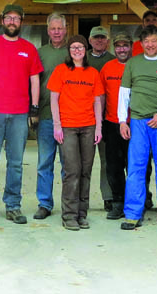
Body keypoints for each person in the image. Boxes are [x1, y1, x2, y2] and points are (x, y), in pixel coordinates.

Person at [0, 4, 42, 225]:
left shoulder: (29, 49)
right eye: (9, 18)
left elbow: (35, 80)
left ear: (22, 22)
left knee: (15, 163)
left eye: (16, 18)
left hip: (20, 114)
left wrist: (35, 108)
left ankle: (13, 206)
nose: (12, 22)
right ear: (2, 21)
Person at [118, 25, 157, 232]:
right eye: (146, 42)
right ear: (141, 44)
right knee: (136, 167)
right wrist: (122, 120)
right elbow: (124, 93)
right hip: (137, 121)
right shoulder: (133, 64)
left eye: (153, 41)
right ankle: (132, 214)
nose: (150, 45)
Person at [48, 35, 104, 230]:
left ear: (85, 49)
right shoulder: (61, 71)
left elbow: (98, 101)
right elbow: (54, 99)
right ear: (69, 51)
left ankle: (82, 213)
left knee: (86, 171)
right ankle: (69, 215)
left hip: (89, 127)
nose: (76, 50)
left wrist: (98, 127)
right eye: (73, 47)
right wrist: (57, 125)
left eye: (80, 47)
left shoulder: (93, 73)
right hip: (68, 127)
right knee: (72, 171)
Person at [35, 13, 68, 220]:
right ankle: (44, 203)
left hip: (70, 117)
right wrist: (34, 110)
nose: (56, 32)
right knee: (44, 162)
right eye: (53, 28)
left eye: (60, 28)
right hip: (46, 115)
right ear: (48, 31)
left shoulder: (74, 52)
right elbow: (34, 82)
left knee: (69, 163)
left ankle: (68, 203)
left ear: (65, 30)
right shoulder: (39, 53)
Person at [98, 32, 133, 219]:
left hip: (135, 123)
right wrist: (101, 121)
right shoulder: (107, 68)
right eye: (118, 46)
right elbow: (101, 96)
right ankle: (118, 202)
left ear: (131, 47)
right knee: (114, 165)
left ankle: (137, 202)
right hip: (112, 123)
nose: (122, 49)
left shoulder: (137, 65)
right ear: (114, 48)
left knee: (136, 165)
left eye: (125, 45)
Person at [85, 25, 114, 211]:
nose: (99, 40)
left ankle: (108, 196)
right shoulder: (80, 58)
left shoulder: (113, 60)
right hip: (83, 117)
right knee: (83, 162)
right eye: (96, 37)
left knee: (107, 160)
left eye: (102, 38)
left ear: (107, 41)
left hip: (107, 118)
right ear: (90, 40)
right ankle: (81, 198)